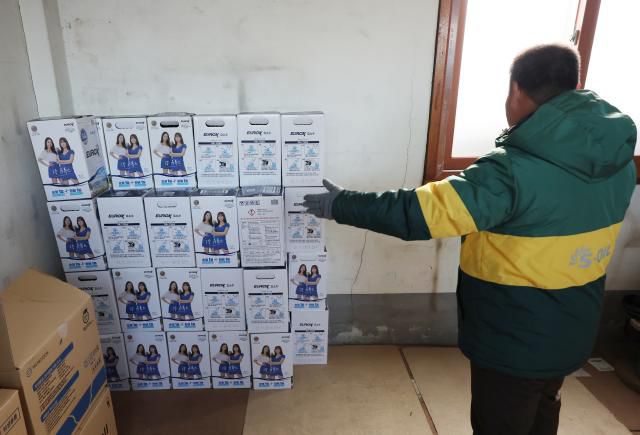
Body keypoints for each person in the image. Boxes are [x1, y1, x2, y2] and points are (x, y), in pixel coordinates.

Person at [302, 44, 637, 435]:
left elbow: (419, 212)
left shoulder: (511, 172)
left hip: (515, 338)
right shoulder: (617, 161)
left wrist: (342, 204)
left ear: (516, 90)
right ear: (574, 87)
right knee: (545, 407)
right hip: (573, 326)